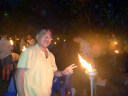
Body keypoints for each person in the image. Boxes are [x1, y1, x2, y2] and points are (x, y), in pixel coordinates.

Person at [14, 29, 77, 96]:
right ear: (37, 37)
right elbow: (18, 75)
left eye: (49, 36)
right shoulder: (29, 52)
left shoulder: (51, 55)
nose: (47, 38)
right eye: (44, 35)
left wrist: (63, 72)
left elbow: (55, 72)